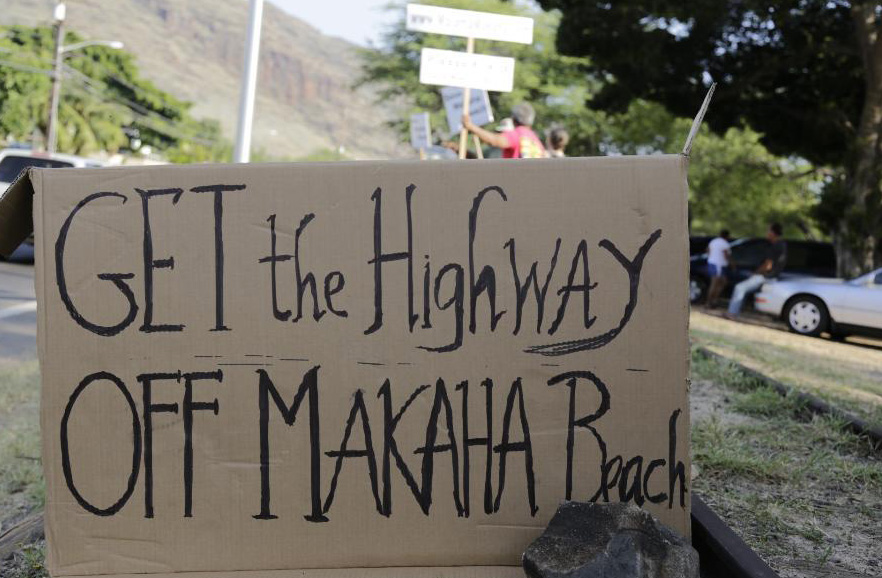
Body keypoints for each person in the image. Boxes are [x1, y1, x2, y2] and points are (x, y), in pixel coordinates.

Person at [726, 223, 787, 318]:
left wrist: (755, 273)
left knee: (739, 288)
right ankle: (736, 312)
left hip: (765, 276)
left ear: (773, 233)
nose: (767, 233)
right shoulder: (783, 245)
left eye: (768, 231)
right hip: (773, 276)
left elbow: (768, 266)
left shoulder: (775, 246)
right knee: (744, 289)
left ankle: (732, 313)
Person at [462, 102, 547, 159]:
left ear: (513, 119)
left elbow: (494, 141)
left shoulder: (517, 135)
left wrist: (471, 127)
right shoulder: (535, 140)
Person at [705, 229, 731, 308]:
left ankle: (714, 300)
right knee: (715, 284)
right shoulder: (725, 243)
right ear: (727, 236)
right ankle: (709, 302)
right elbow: (726, 255)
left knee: (722, 282)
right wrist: (731, 263)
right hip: (718, 265)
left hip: (712, 263)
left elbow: (707, 250)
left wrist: (711, 257)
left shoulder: (713, 241)